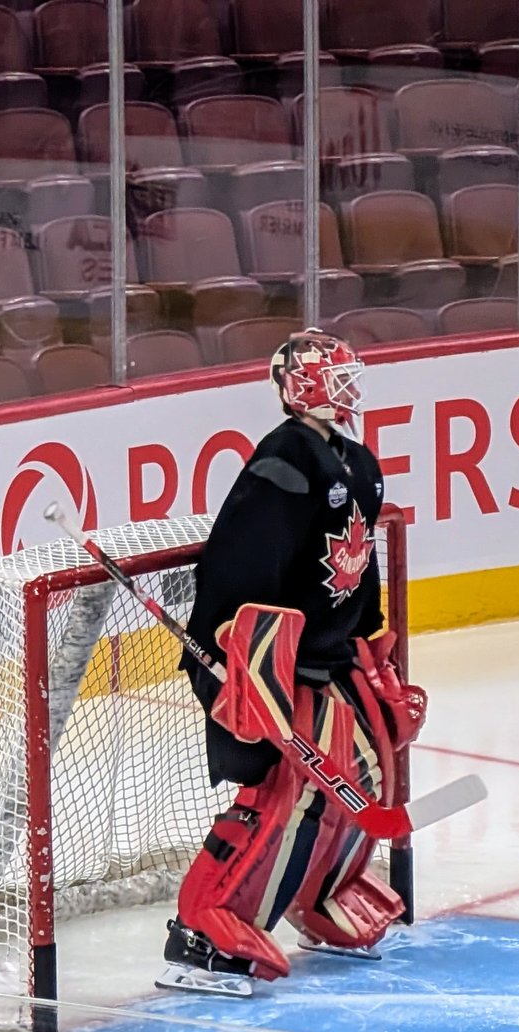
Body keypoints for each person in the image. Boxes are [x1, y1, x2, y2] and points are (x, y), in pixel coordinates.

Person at [160, 329, 426, 995]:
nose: (348, 388)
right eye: (336, 376)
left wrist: (371, 651)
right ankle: (203, 923)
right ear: (302, 384)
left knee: (366, 776)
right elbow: (240, 568)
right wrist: (239, 655)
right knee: (293, 791)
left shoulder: (359, 464)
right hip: (278, 664)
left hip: (332, 660)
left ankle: (323, 894)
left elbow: (358, 568)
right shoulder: (283, 461)